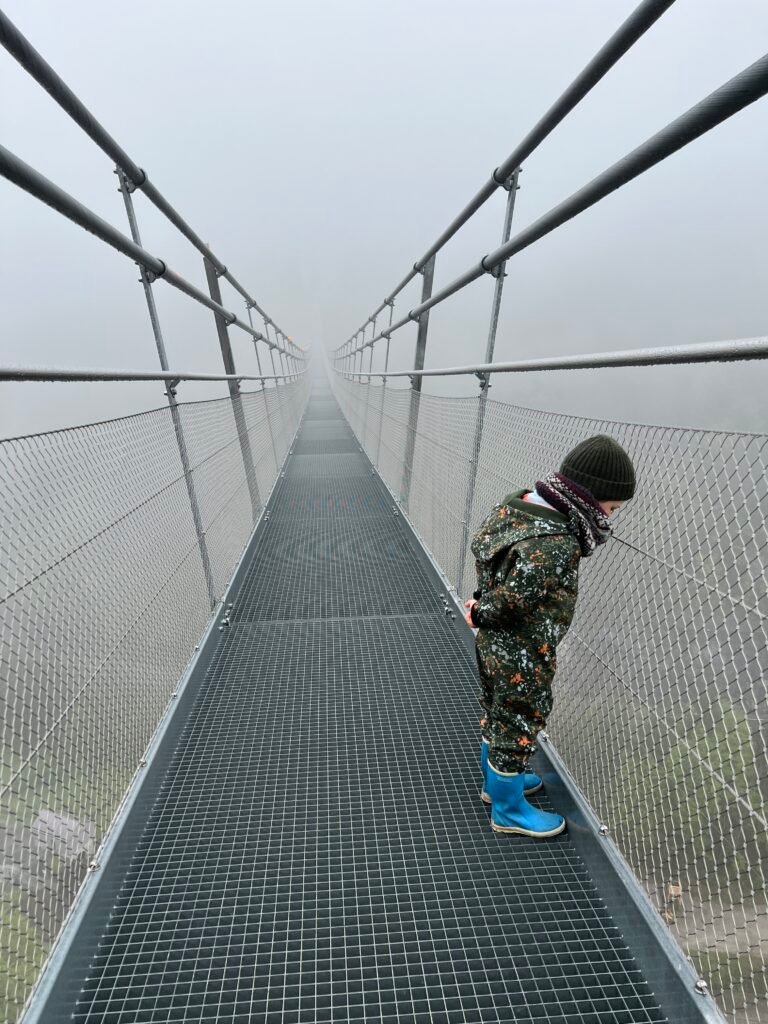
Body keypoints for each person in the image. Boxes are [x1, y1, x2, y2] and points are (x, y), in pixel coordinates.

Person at [463, 434, 636, 838]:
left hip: (495, 644)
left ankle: (497, 783)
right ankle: (507, 810)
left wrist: (479, 607)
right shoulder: (556, 542)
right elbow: (516, 600)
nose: (610, 518)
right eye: (610, 508)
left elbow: (491, 559)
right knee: (520, 716)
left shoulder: (518, 506)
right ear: (589, 499)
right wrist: (484, 612)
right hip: (522, 649)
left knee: (497, 708)